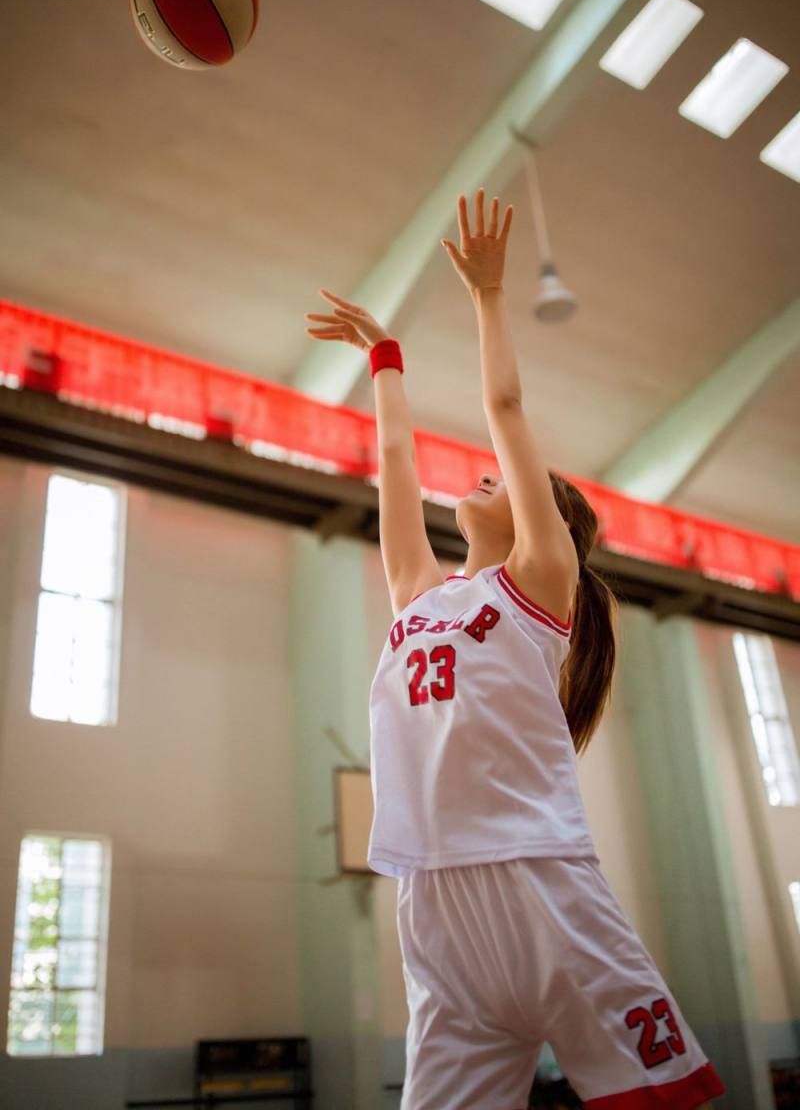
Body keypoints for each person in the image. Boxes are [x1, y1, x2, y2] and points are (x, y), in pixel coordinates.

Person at [305, 190, 724, 1109]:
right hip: (433, 894)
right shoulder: (420, 591)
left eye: (502, 477)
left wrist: (490, 299)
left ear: (553, 526)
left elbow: (504, 403)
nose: (484, 472)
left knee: (655, 1100)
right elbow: (394, 467)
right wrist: (384, 361)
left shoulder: (537, 582)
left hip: (536, 872)